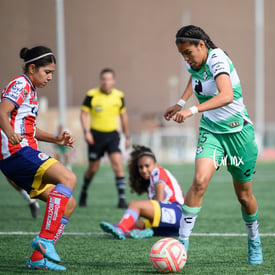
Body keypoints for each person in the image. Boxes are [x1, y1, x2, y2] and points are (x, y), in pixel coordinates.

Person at [163, 25, 263, 265]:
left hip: (239, 135)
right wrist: (180, 102)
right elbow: (194, 77)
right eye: (182, 54)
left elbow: (226, 95)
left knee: (244, 196)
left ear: (202, 45)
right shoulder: (195, 62)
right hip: (211, 133)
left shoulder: (218, 59)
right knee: (199, 182)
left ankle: (254, 239)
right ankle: (182, 243)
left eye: (188, 52)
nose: (186, 59)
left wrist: (191, 110)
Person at [0, 46, 77, 271]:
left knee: (68, 204)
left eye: (52, 73)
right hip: (16, 153)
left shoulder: (31, 90)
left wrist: (56, 139)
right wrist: (9, 133)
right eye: (47, 72)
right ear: (32, 68)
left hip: (22, 154)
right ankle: (44, 239)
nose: (50, 77)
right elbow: (2, 112)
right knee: (68, 178)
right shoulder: (21, 84)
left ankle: (37, 258)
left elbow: (29, 129)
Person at [99, 145, 184, 240]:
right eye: (141, 167)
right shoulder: (150, 186)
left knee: (134, 205)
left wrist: (140, 210)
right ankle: (149, 231)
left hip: (177, 211)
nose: (143, 170)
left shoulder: (158, 171)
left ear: (155, 165)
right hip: (176, 225)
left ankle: (120, 228)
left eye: (147, 166)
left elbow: (159, 201)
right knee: (134, 223)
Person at [79, 68, 130, 208]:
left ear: (113, 81)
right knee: (93, 169)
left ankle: (121, 199)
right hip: (95, 136)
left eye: (109, 79)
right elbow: (83, 114)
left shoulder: (119, 96)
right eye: (104, 79)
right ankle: (83, 193)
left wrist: (127, 136)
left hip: (113, 135)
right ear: (101, 80)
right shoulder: (91, 95)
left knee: (118, 165)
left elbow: (123, 117)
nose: (106, 82)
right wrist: (86, 132)